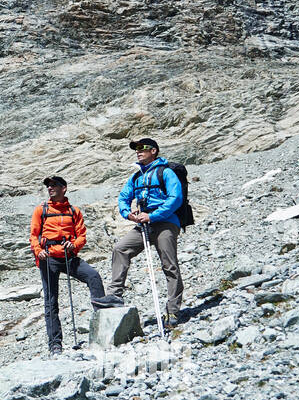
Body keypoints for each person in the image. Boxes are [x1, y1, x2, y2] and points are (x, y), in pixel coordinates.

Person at [94, 138, 185, 325]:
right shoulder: (136, 177)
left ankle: (173, 311)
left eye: (142, 148)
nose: (138, 151)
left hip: (166, 222)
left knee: (169, 265)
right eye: (136, 148)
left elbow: (175, 198)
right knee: (120, 248)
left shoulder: (165, 172)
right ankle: (114, 295)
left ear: (154, 151)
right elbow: (123, 197)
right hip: (143, 223)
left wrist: (152, 216)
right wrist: (129, 214)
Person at [30, 175, 107, 355]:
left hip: (68, 256)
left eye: (54, 185)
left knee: (93, 276)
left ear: (64, 188)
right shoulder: (41, 210)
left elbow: (82, 236)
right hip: (48, 257)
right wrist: (38, 250)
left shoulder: (74, 211)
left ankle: (102, 325)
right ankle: (55, 344)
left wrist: (74, 245)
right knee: (51, 301)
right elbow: (33, 235)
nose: (50, 188)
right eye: (48, 186)